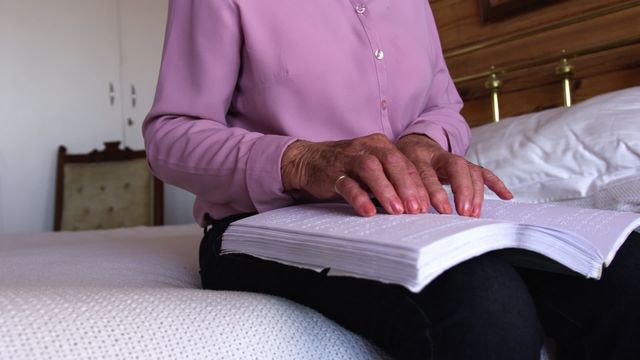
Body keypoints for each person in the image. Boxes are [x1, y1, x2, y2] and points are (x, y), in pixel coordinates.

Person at [144, 1, 640, 359]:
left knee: (627, 267)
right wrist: (302, 161)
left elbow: (442, 106)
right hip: (264, 224)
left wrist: (425, 142)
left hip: (408, 217)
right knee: (485, 303)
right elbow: (169, 137)